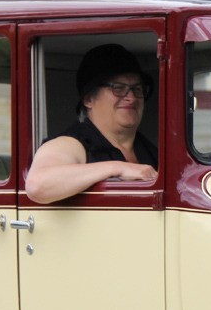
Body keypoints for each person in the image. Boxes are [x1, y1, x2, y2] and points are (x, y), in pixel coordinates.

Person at [26, 43, 157, 203]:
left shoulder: (151, 151)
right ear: (89, 99)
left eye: (137, 89)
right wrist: (118, 168)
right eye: (118, 88)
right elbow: (37, 185)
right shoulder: (71, 144)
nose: (131, 98)